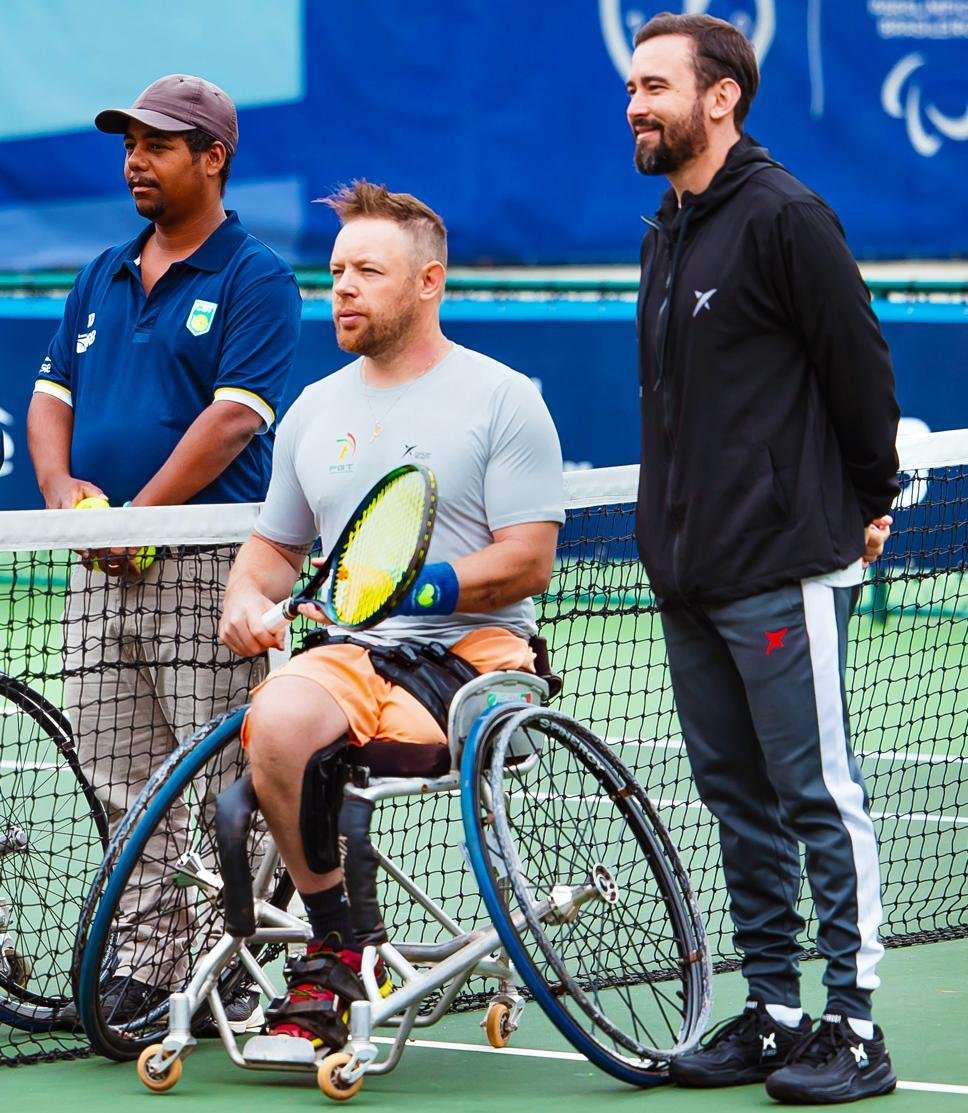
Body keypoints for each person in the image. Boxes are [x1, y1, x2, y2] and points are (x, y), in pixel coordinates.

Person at [219, 180, 564, 1051]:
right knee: (280, 719)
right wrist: (246, 602)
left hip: (477, 654)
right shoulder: (314, 409)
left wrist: (416, 587)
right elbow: (271, 554)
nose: (342, 286)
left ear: (428, 282)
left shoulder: (502, 398)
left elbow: (529, 558)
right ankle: (340, 946)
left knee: (339, 752)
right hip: (353, 651)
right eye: (336, 270)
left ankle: (338, 948)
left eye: (367, 270)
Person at [625, 13, 900, 1105]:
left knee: (815, 797)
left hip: (780, 566)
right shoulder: (666, 230)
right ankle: (777, 1012)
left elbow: (860, 376)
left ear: (720, 97)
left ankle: (854, 1026)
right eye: (632, 87)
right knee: (734, 800)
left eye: (654, 86)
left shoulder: (786, 218)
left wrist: (861, 501)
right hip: (686, 577)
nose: (635, 103)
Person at [27, 74, 302, 1027]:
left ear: (213, 157)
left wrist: (137, 516)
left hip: (210, 567)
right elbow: (51, 396)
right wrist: (68, 502)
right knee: (118, 773)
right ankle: (147, 963)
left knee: (232, 776)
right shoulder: (100, 271)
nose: (135, 159)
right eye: (129, 142)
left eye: (158, 143)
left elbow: (234, 421)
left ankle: (245, 953)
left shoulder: (255, 276)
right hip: (98, 565)